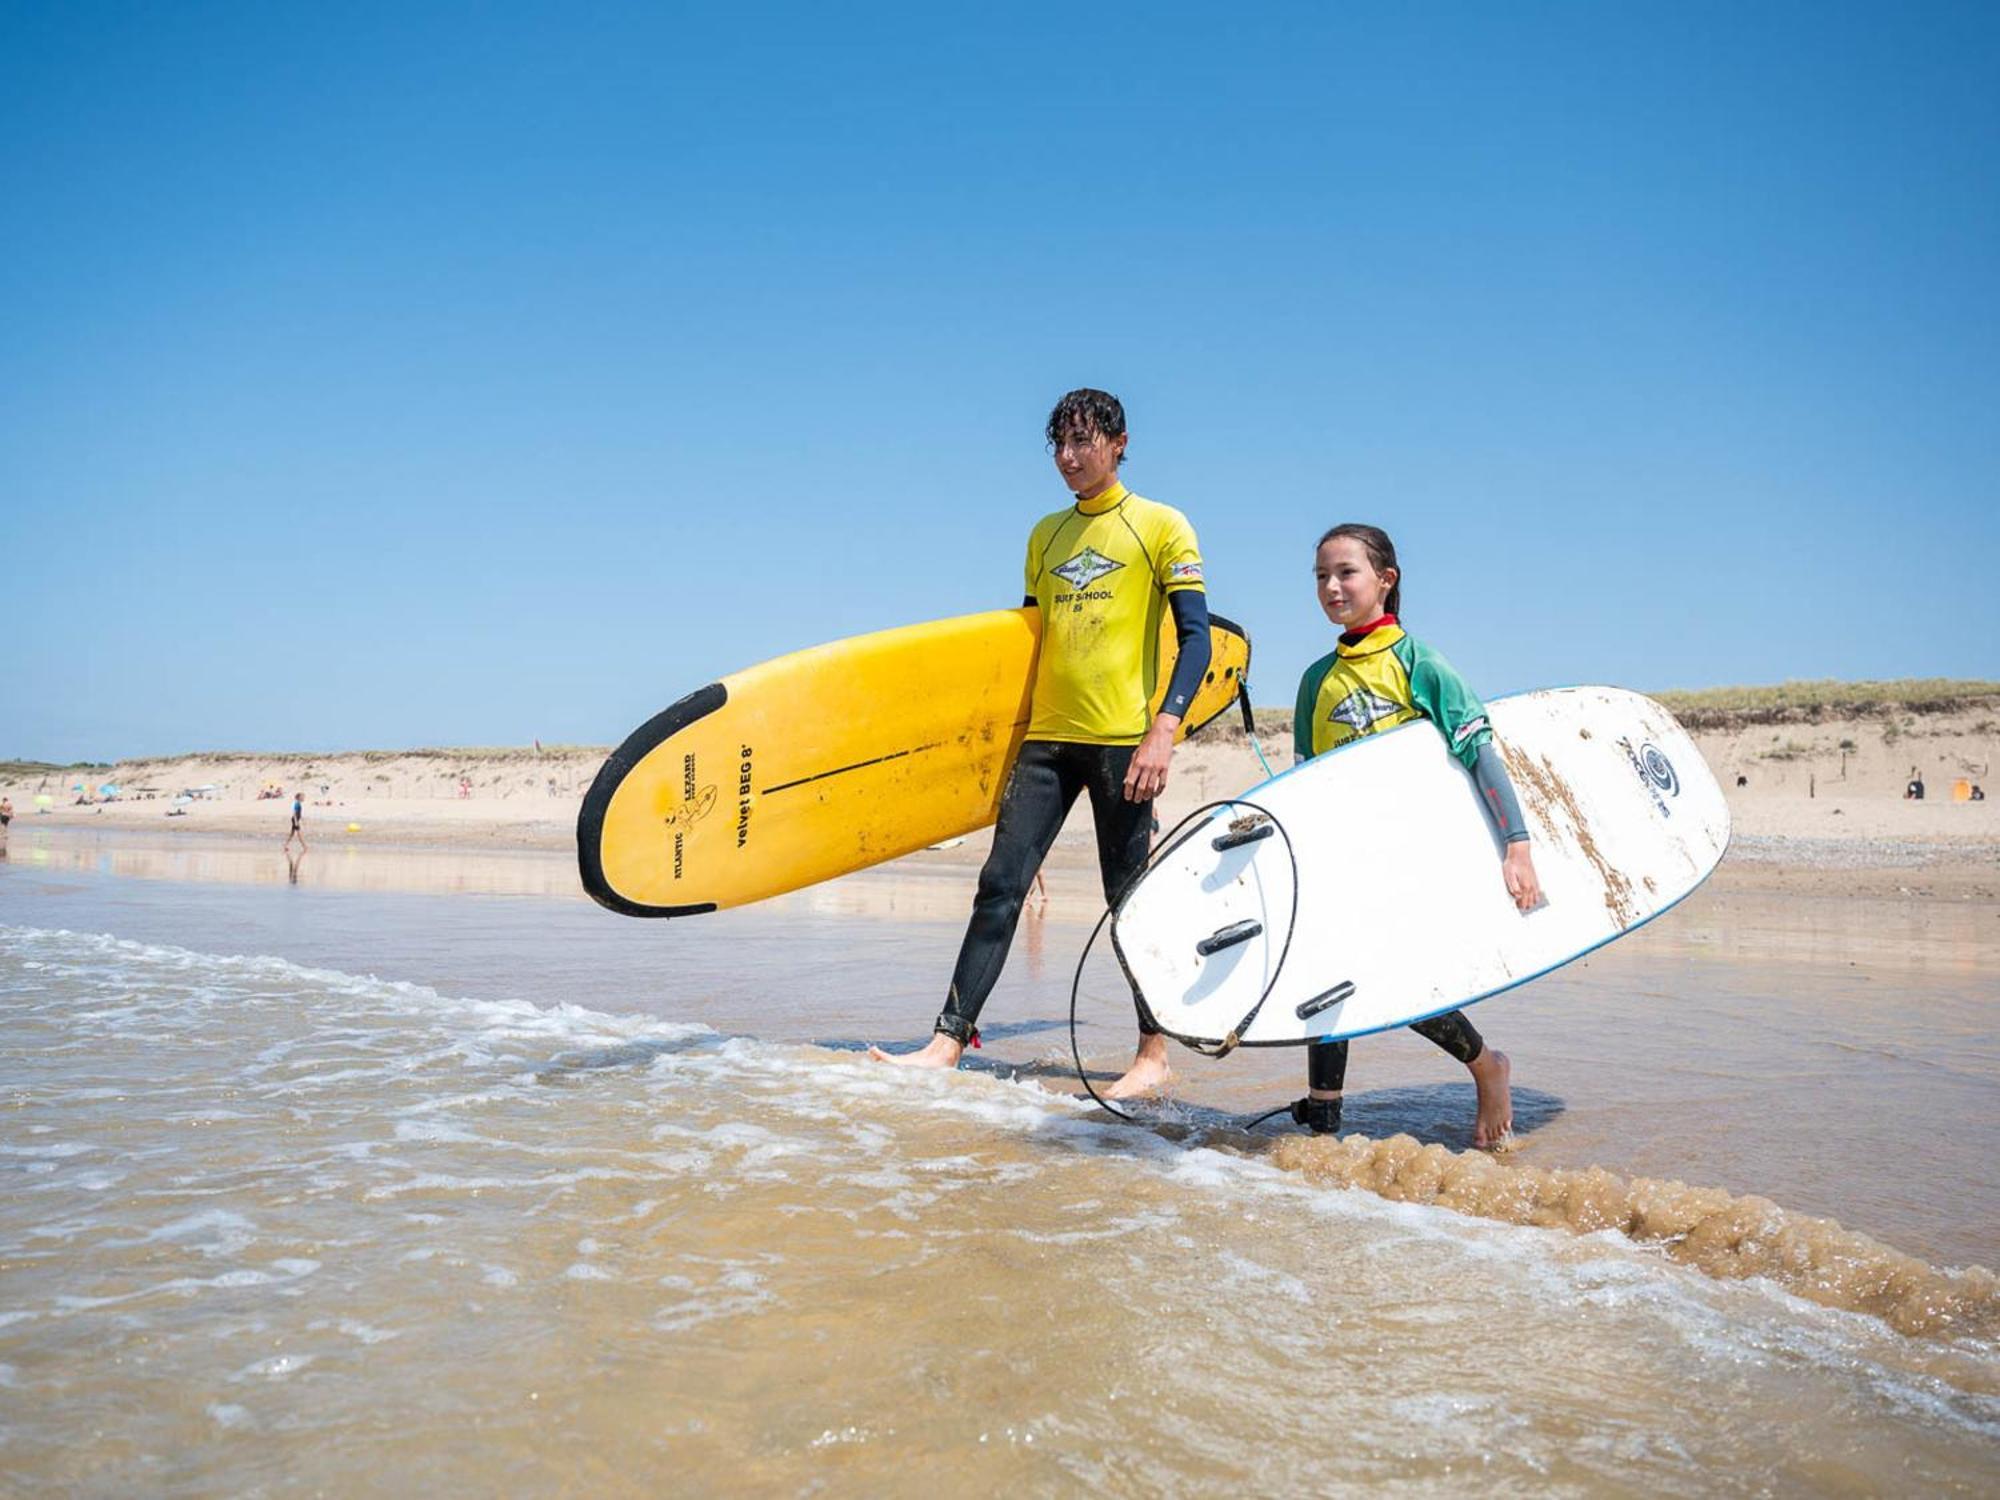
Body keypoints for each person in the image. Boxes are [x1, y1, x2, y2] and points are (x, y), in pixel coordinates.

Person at [870, 388, 1211, 1097]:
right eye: (1059, 444)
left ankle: (1153, 1053)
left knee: (1130, 902)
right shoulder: (1045, 536)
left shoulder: (1162, 525)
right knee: (999, 887)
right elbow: (1027, 647)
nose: (1068, 457)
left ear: (1119, 444)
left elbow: (1197, 639)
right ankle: (947, 1040)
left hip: (1123, 742)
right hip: (1047, 742)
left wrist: (1164, 731)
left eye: (1083, 442)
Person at [1288, 523, 1542, 1149]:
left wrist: (1517, 844)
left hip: (1409, 856)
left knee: (1393, 981)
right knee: (1325, 977)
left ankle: (1487, 1065)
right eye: (1321, 575)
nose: (1331, 586)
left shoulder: (1419, 662)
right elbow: (1304, 787)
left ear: (1385, 580)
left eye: (1346, 572)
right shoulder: (1314, 681)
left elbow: (1479, 752)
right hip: (1342, 856)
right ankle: (1324, 1125)